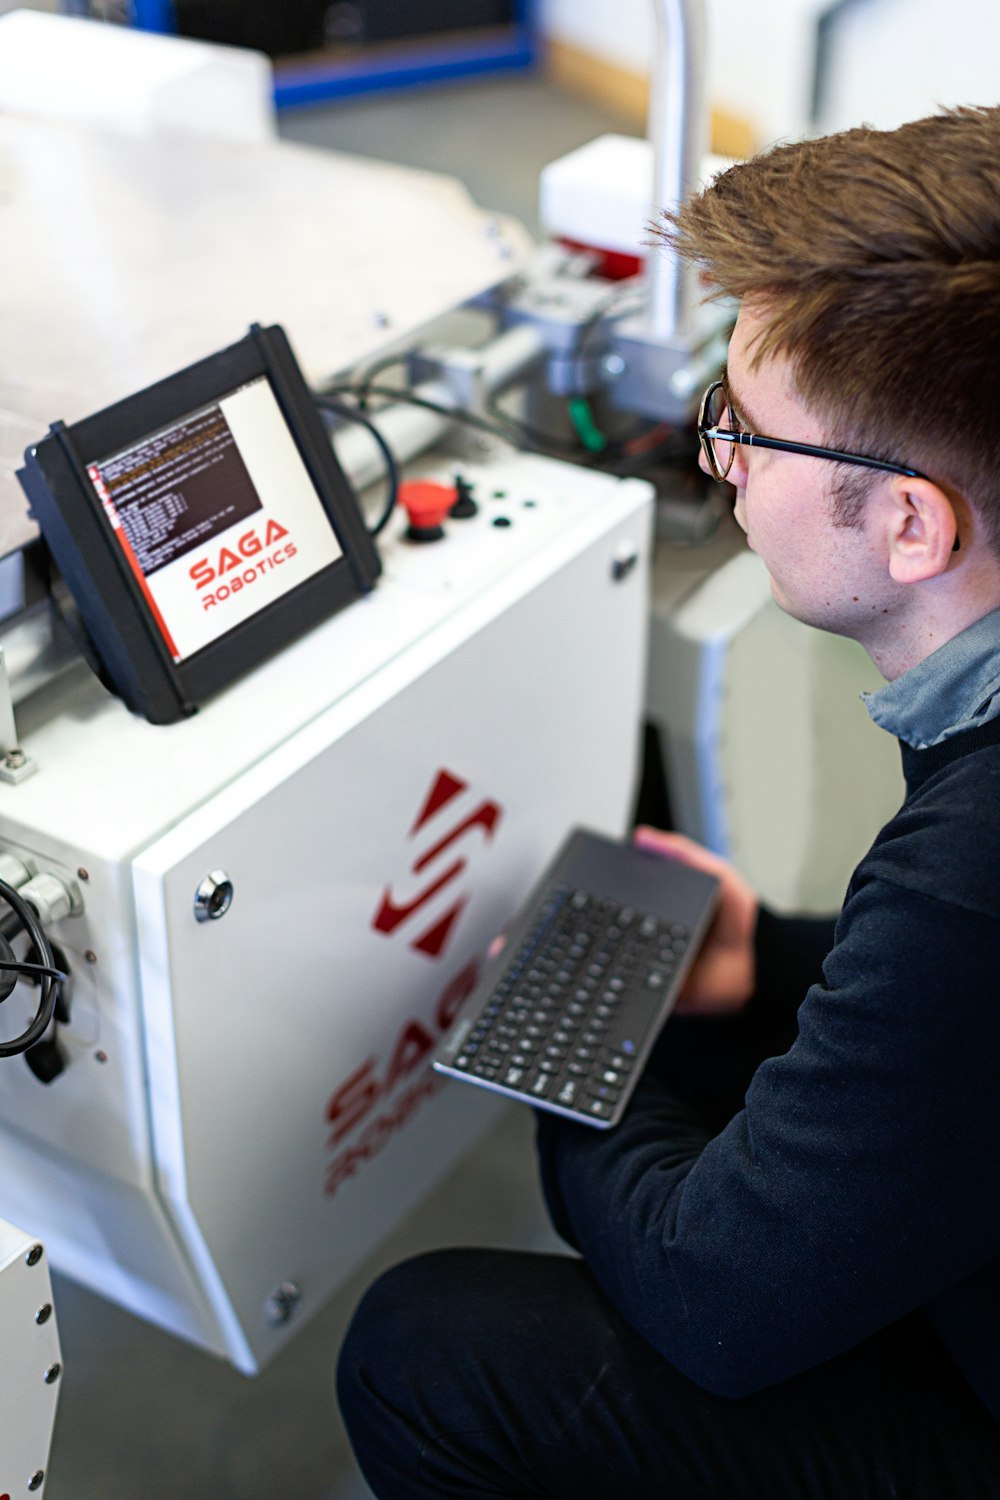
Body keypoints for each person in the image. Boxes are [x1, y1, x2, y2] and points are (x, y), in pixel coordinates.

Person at [336, 105, 1000, 1497]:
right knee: (727, 1038)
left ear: (912, 525)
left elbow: (720, 1303)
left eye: (747, 431)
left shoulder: (970, 858)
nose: (724, 467)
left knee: (424, 1346)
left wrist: (566, 1052)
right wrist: (788, 959)